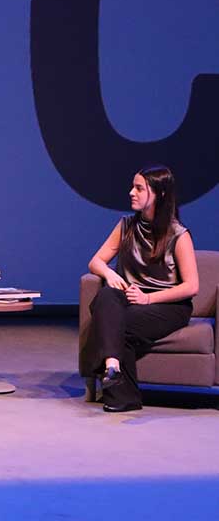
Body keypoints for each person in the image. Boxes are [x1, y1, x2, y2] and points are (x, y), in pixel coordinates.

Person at [87, 165, 198, 413]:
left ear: (158, 194)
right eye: (132, 187)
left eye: (139, 188)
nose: (131, 193)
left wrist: (148, 299)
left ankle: (120, 393)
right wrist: (109, 273)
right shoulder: (126, 226)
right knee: (106, 295)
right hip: (130, 299)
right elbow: (96, 261)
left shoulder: (178, 234)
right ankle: (113, 365)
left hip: (168, 306)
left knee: (115, 322)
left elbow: (192, 286)